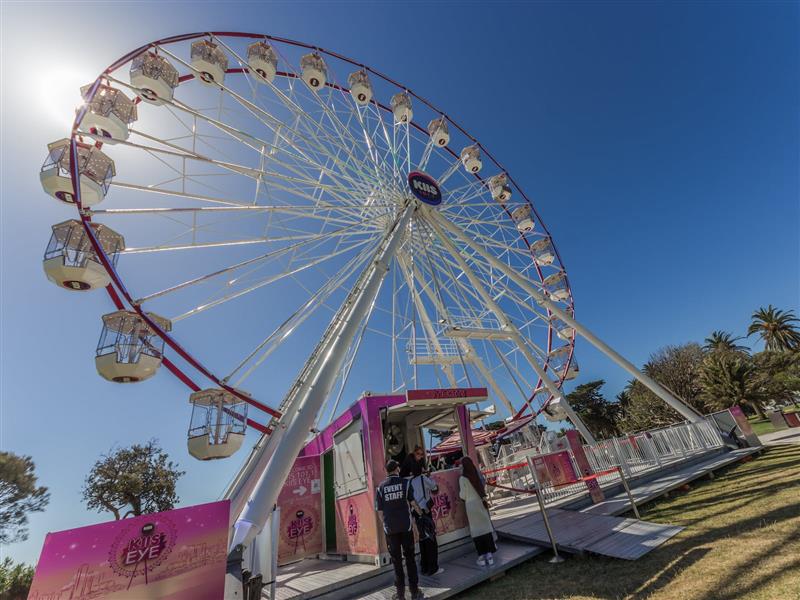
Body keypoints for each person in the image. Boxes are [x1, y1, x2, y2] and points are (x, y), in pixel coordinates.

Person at [376, 459, 424, 600]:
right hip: (406, 527)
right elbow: (413, 503)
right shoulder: (405, 483)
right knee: (410, 558)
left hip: (390, 529)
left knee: (397, 561)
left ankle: (400, 594)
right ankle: (414, 592)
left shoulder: (380, 487)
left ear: (386, 470)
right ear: (397, 469)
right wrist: (421, 515)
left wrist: (385, 526)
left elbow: (379, 512)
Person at [458, 456, 496, 566]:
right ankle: (490, 555)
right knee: (485, 528)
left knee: (477, 531)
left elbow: (463, 495)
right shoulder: (476, 474)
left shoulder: (462, 478)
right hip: (480, 503)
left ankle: (481, 557)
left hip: (470, 506)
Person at [409, 460, 442, 576]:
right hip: (425, 511)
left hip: (416, 512)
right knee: (431, 539)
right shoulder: (423, 478)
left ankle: (424, 567)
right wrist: (429, 476)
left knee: (422, 539)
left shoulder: (410, 482)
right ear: (421, 468)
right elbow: (434, 488)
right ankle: (433, 568)